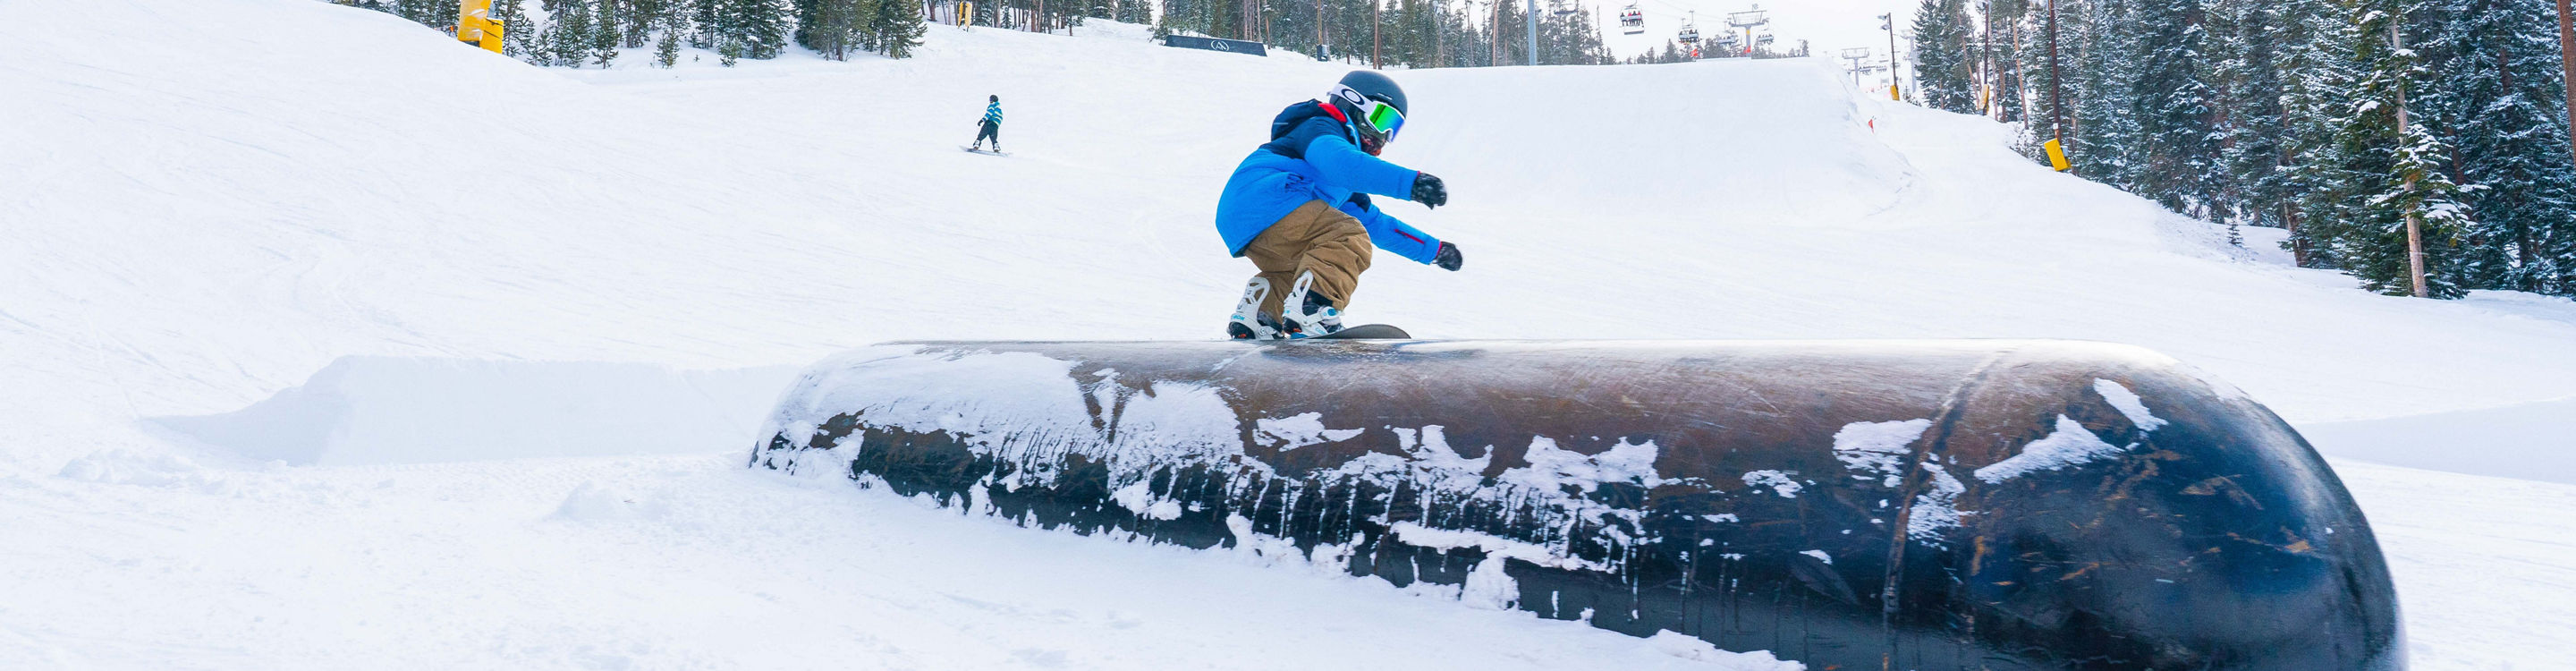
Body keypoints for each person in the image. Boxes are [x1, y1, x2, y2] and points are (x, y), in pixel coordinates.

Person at [1215, 71, 1462, 340]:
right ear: (1352, 102)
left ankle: (1260, 314)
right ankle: (1315, 309)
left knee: (1301, 263)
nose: (1385, 133)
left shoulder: (1343, 187)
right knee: (1348, 236)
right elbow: (1341, 163)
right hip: (1271, 197)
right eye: (1382, 118)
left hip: (1252, 220)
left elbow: (1378, 225)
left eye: (1394, 128)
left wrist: (1434, 250)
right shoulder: (1320, 126)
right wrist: (1410, 183)